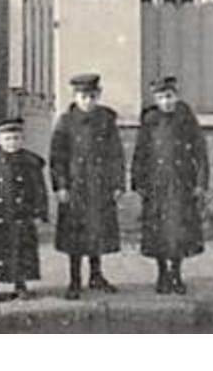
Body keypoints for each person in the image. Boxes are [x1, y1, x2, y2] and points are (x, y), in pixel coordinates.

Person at [130, 75, 209, 294]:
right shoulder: (150, 120)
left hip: (181, 183)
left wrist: (200, 182)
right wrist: (138, 182)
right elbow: (140, 153)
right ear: (155, 99)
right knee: (158, 232)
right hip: (157, 185)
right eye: (162, 98)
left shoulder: (185, 118)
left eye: (170, 96)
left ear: (176, 95)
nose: (167, 102)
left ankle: (176, 272)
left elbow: (200, 151)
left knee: (178, 231)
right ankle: (162, 273)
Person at [50, 72, 124, 299]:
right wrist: (61, 186)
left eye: (92, 96)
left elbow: (116, 154)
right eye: (83, 96)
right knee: (75, 234)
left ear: (98, 95)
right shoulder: (65, 122)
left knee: (97, 231)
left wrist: (117, 183)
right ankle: (74, 279)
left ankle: (96, 275)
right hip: (76, 187)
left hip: (100, 186)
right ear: (75, 96)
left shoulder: (106, 120)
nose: (87, 101)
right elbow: (57, 157)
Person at [0, 116, 49, 302]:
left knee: (21, 250)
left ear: (22, 139)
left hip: (22, 215)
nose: (12, 143)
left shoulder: (30, 162)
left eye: (16, 138)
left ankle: (20, 284)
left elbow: (39, 189)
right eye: (7, 139)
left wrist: (40, 212)